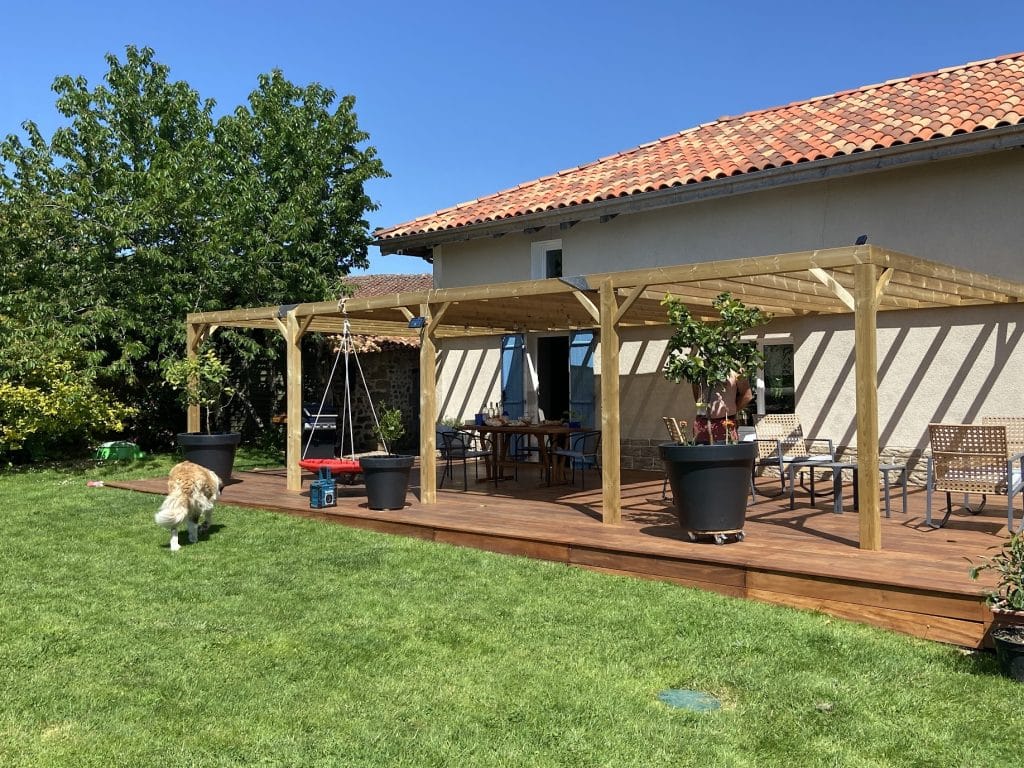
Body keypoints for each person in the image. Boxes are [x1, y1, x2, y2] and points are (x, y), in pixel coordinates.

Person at [692, 373, 753, 444]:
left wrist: (731, 410)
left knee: (727, 453)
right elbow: (697, 393)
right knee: (699, 453)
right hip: (702, 422)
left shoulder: (736, 370)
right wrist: (705, 411)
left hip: (725, 423)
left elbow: (747, 396)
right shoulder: (698, 369)